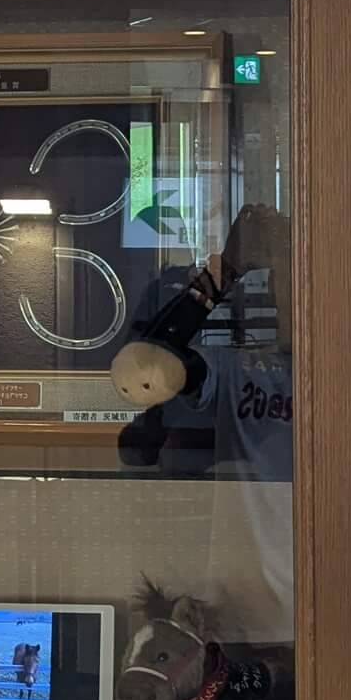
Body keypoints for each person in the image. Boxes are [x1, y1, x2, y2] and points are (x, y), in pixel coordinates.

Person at [115, 203, 294, 631]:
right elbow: (149, 360)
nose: (289, 293)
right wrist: (221, 275)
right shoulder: (247, 370)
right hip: (242, 611)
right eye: (281, 278)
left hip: (336, 599)